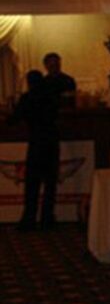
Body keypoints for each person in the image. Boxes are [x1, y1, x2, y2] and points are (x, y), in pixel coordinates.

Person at [7, 70, 60, 231]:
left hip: (36, 143)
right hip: (51, 142)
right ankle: (47, 219)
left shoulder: (27, 98)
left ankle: (29, 219)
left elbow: (13, 120)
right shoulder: (51, 97)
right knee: (50, 184)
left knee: (32, 184)